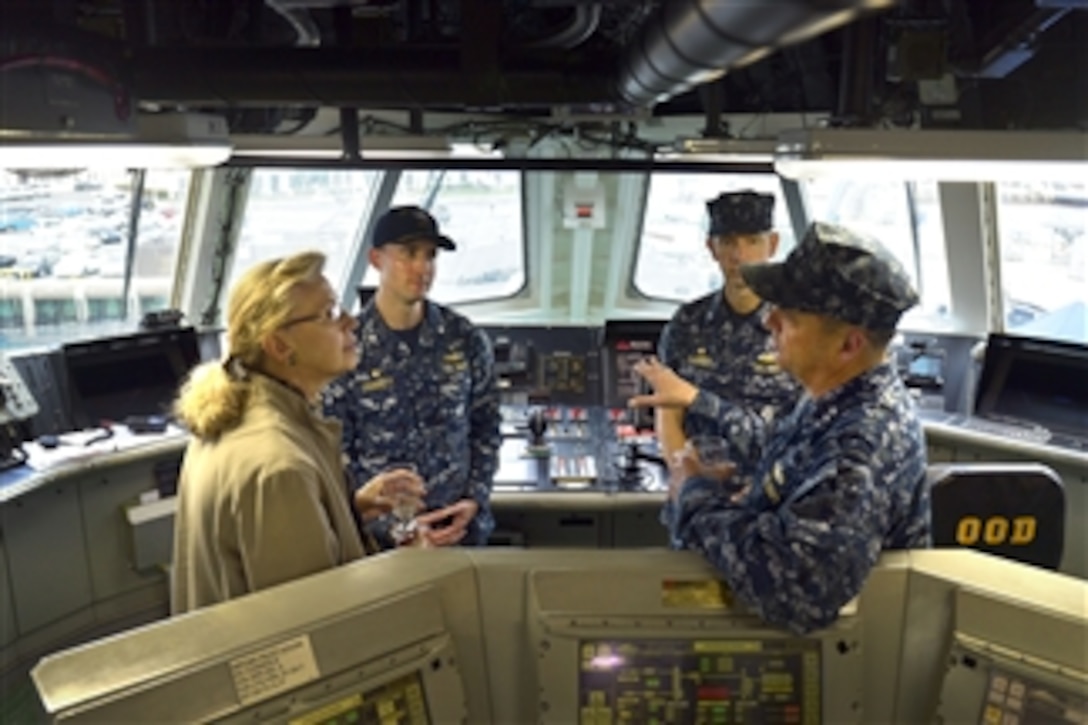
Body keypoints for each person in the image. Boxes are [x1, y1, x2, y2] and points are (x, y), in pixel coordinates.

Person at [629, 221, 931, 634]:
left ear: (848, 345)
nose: (769, 321)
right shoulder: (833, 399)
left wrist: (695, 495)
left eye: (789, 317)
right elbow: (786, 454)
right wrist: (725, 489)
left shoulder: (862, 443)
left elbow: (794, 588)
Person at [171, 251, 425, 614]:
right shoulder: (280, 466)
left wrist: (348, 512)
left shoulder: (233, 414)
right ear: (279, 345)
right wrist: (408, 569)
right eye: (329, 315)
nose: (351, 322)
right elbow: (317, 626)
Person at [324, 206, 501, 549]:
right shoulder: (346, 348)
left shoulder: (464, 338)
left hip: (460, 533)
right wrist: (399, 530)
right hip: (381, 546)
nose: (423, 268)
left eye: (430, 255)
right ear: (376, 259)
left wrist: (475, 499)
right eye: (409, 254)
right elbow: (335, 457)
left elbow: (486, 428)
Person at [656, 191, 800, 456]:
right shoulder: (687, 323)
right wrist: (683, 478)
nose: (740, 255)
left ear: (773, 245)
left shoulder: (798, 325)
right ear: (712, 248)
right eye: (729, 242)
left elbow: (809, 422)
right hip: (700, 480)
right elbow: (668, 410)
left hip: (774, 483)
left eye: (753, 242)